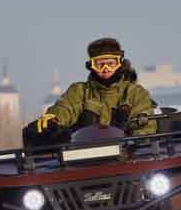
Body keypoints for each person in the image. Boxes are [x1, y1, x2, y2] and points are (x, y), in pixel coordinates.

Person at [25, 37, 157, 143]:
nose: (106, 68)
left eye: (111, 63)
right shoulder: (80, 91)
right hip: (83, 157)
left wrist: (136, 140)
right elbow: (66, 107)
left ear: (120, 63)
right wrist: (54, 118)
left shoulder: (135, 93)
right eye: (100, 64)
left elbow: (145, 123)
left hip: (125, 158)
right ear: (91, 66)